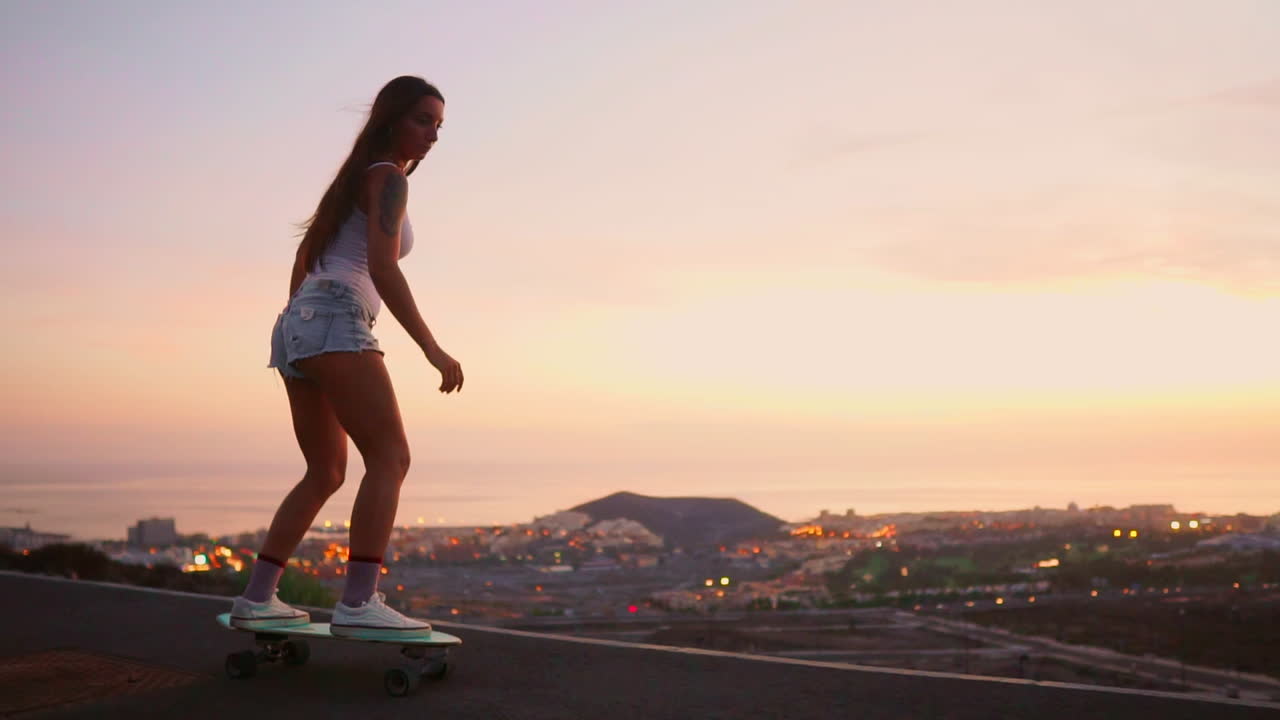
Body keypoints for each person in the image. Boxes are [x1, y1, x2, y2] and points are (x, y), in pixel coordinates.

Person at [229, 76, 463, 639]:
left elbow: (305, 260)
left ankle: (257, 597)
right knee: (390, 457)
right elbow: (383, 269)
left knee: (326, 471)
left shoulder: (351, 182)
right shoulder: (386, 179)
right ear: (390, 119)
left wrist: (297, 327)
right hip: (334, 317)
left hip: (297, 327)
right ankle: (359, 601)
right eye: (422, 120)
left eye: (438, 125)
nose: (432, 134)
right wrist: (432, 348)